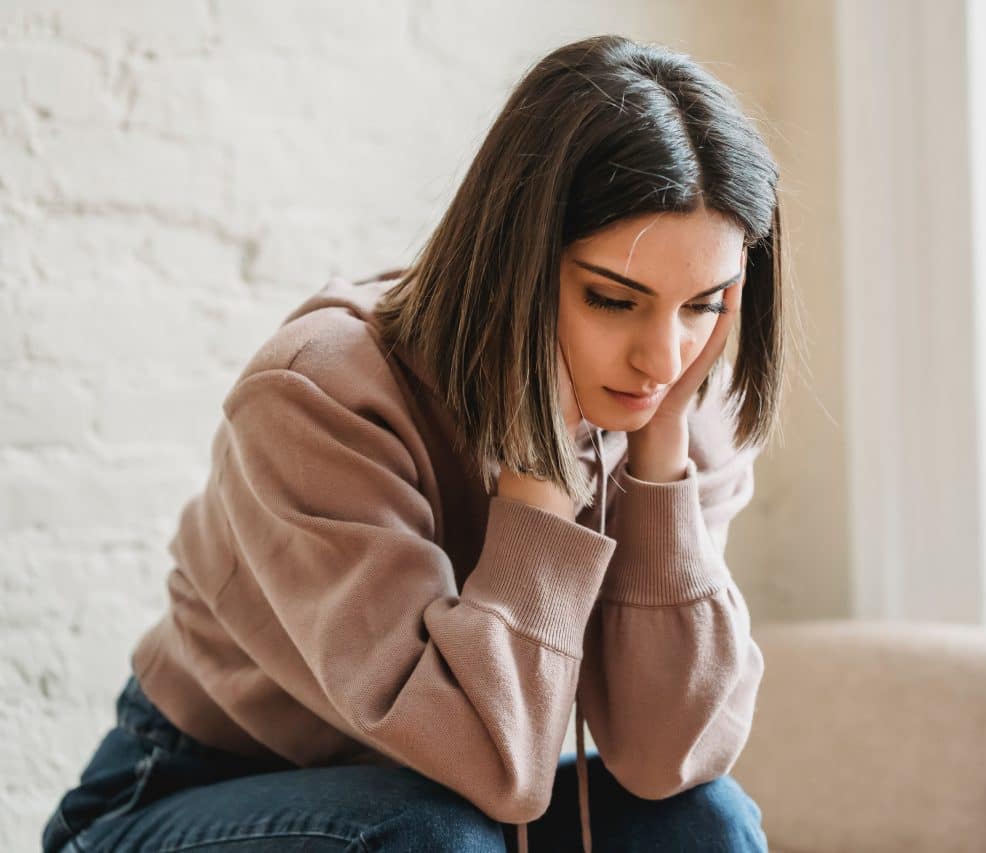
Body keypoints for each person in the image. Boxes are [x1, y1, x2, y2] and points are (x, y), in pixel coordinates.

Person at [41, 32, 786, 853]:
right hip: (187, 789)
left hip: (456, 799)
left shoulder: (676, 414)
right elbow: (490, 766)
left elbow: (666, 757)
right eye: (614, 299)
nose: (664, 357)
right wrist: (536, 472)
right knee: (431, 835)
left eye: (704, 304)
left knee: (703, 822)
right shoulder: (321, 397)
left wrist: (663, 469)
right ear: (516, 258)